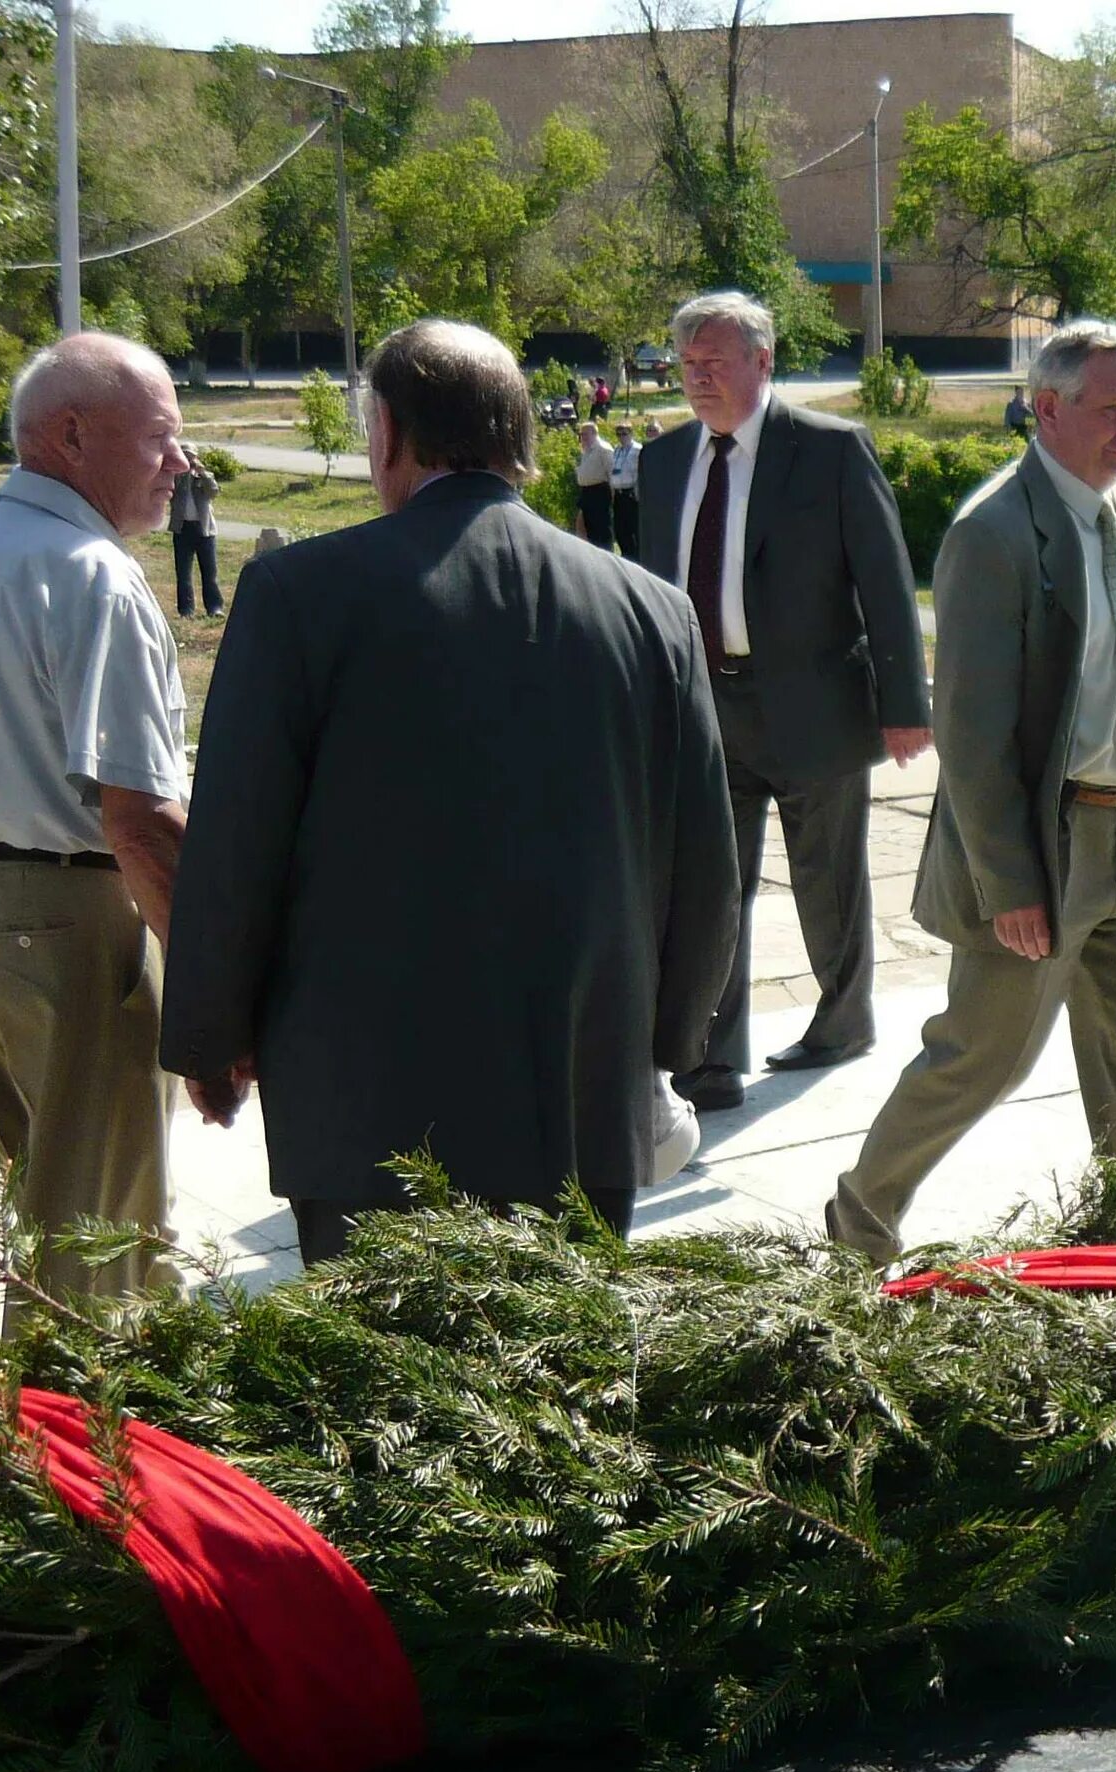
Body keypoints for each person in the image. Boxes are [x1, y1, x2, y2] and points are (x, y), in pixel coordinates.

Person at [160, 318, 739, 1266]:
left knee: (386, 1392)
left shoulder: (299, 595)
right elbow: (707, 858)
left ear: (385, 431)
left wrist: (209, 1037)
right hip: (579, 1088)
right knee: (557, 1388)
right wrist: (672, 1037)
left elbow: (237, 841)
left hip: (366, 1106)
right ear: (525, 440)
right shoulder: (650, 609)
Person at [828, 319, 1116, 1260]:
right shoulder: (994, 532)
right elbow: (974, 740)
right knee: (981, 1059)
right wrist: (1012, 887)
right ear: (1048, 408)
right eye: (1112, 409)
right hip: (1047, 849)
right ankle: (860, 1224)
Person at [634, 290, 931, 1109]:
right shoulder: (663, 463)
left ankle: (843, 1021)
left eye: (715, 362)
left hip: (816, 704)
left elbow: (885, 579)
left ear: (763, 362)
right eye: (688, 364)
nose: (698, 378)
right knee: (710, 884)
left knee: (825, 878)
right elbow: (649, 592)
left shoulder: (831, 450)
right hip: (706, 708)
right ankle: (711, 1055)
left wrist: (905, 703)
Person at [0, 333, 191, 1314]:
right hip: (72, 917)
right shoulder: (93, 575)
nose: (181, 465)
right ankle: (54, 1455)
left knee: (51, 1209)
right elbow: (139, 822)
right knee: (94, 1249)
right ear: (70, 434)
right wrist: (221, 979)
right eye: (160, 441)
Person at [170, 443, 222, 617]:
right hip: (182, 528)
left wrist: (202, 474)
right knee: (183, 573)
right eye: (184, 456)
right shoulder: (176, 477)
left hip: (204, 529)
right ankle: (186, 610)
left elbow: (213, 492)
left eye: (191, 456)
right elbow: (174, 492)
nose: (188, 460)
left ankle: (214, 608)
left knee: (209, 572)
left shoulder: (205, 476)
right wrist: (184, 472)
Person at [574, 417, 615, 549]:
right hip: (586, 493)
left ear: (594, 433)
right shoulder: (586, 450)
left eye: (585, 434)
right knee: (586, 527)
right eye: (581, 434)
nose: (582, 437)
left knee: (601, 528)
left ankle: (606, 554)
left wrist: (613, 496)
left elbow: (611, 473)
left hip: (599, 492)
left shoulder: (603, 449)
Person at [610, 415, 642, 555]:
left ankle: (637, 557)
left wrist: (638, 494)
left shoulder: (637, 450)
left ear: (631, 433)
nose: (621, 437)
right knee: (620, 531)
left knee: (633, 530)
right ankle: (626, 556)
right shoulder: (616, 450)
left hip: (631, 494)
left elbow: (640, 474)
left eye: (624, 433)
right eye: (618, 433)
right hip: (618, 494)